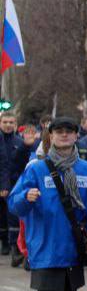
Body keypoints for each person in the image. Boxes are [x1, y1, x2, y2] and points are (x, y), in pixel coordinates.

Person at [12, 117, 87, 291]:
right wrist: (26, 196)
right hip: (46, 246)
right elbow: (14, 203)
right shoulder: (36, 169)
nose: (64, 136)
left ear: (76, 136)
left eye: (69, 132)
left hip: (73, 248)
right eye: (59, 131)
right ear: (51, 136)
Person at [0, 111, 29, 259]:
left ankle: (12, 245)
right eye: (5, 122)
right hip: (2, 182)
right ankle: (4, 241)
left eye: (11, 122)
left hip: (13, 183)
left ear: (15, 124)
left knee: (11, 215)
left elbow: (22, 164)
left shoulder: (19, 142)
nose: (8, 125)